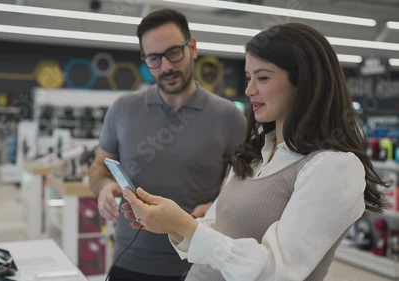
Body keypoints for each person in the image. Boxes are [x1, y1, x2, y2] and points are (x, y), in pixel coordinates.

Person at [121, 22, 386, 281]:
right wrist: (171, 223)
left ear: (304, 82)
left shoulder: (334, 168)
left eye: (263, 77)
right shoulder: (258, 155)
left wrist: (183, 224)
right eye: (249, 77)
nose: (249, 90)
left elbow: (278, 271)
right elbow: (216, 232)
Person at [88, 8, 246, 281]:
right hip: (130, 263)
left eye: (174, 53)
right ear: (144, 59)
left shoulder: (229, 116)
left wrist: (219, 208)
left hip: (200, 266)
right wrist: (103, 188)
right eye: (154, 58)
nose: (166, 67)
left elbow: (248, 186)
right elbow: (98, 168)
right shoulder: (123, 109)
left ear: (192, 47)